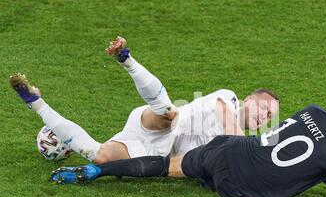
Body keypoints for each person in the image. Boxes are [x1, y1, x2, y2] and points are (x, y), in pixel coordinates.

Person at [51, 87, 326, 197]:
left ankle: (100, 171)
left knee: (167, 167)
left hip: (228, 149)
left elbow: (323, 165)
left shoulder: (312, 111)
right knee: (177, 168)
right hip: (242, 185)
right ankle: (99, 168)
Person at [9, 37, 279, 165]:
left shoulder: (241, 144)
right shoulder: (228, 98)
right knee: (169, 115)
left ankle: (35, 102)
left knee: (100, 157)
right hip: (157, 122)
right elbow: (231, 132)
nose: (265, 117)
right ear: (248, 99)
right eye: (264, 108)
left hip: (155, 152)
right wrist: (252, 155)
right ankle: (126, 59)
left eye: (270, 117)